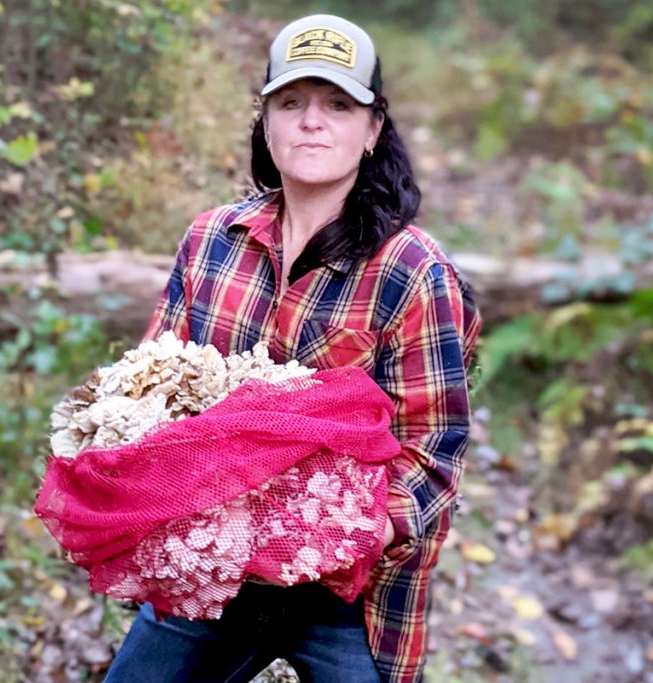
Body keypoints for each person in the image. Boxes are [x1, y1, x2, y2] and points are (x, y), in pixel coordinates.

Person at [102, 13, 481, 683]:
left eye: (338, 104)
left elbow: (433, 456)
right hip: (211, 573)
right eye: (292, 102)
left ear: (372, 130)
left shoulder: (411, 270)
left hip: (345, 595)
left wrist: (333, 533)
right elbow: (147, 393)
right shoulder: (212, 241)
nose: (313, 121)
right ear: (266, 123)